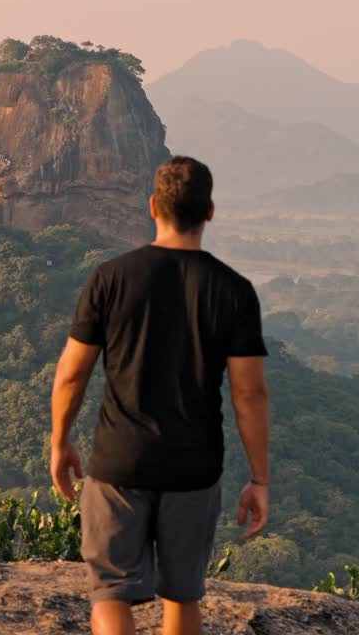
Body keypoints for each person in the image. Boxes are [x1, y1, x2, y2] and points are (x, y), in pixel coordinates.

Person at [50, 156, 271, 635]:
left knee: (110, 595)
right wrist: (259, 478)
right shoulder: (234, 290)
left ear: (153, 206)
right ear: (209, 211)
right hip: (194, 467)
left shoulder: (110, 278)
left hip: (119, 463)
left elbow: (71, 375)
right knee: (182, 595)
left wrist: (60, 441)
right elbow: (249, 394)